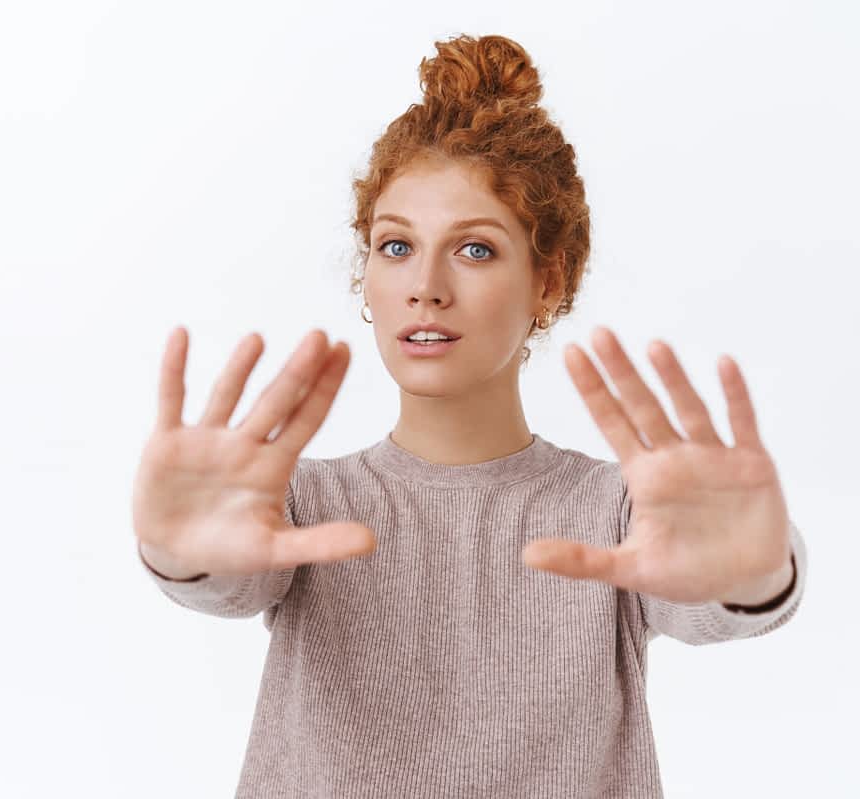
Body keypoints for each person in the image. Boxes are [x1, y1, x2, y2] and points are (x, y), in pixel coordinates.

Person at [132, 33, 806, 798]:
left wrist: (755, 576)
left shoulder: (617, 512)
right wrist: (180, 554)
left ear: (546, 281)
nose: (424, 284)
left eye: (475, 250)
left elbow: (715, 598)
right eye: (394, 246)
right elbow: (226, 577)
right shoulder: (301, 506)